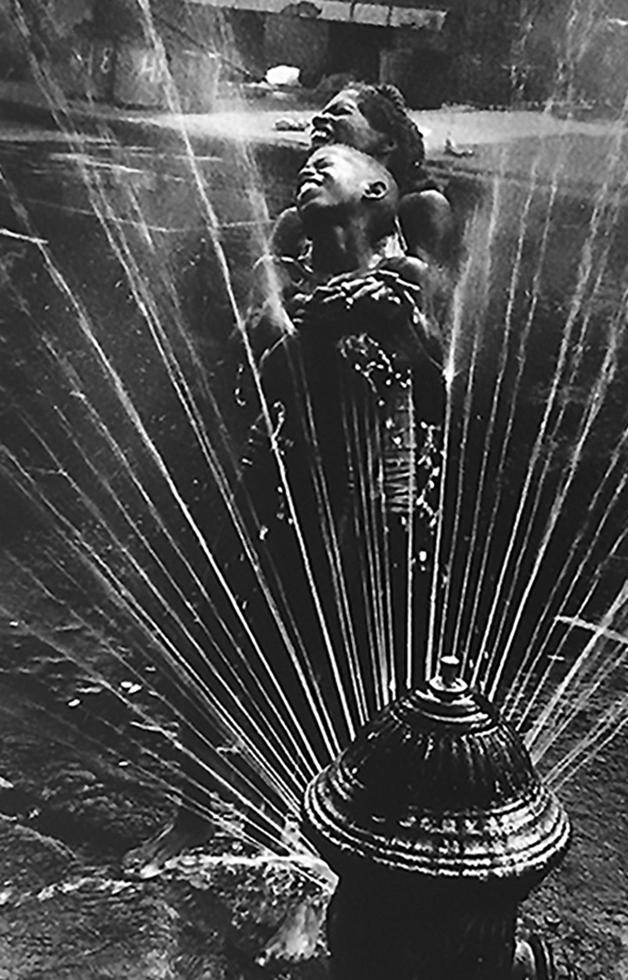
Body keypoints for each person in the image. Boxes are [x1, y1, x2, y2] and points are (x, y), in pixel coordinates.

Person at [123, 145, 444, 877]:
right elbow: (249, 363)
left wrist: (399, 328)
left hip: (372, 517)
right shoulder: (297, 281)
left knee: (343, 678)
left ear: (377, 188)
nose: (310, 161)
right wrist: (306, 330)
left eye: (328, 158)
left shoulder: (402, 279)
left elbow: (438, 391)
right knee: (220, 650)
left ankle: (323, 840)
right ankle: (192, 813)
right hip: (282, 499)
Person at [271, 84, 454, 268]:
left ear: (388, 141)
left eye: (341, 112)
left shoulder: (421, 209)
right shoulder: (296, 222)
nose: (319, 118)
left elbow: (434, 289)